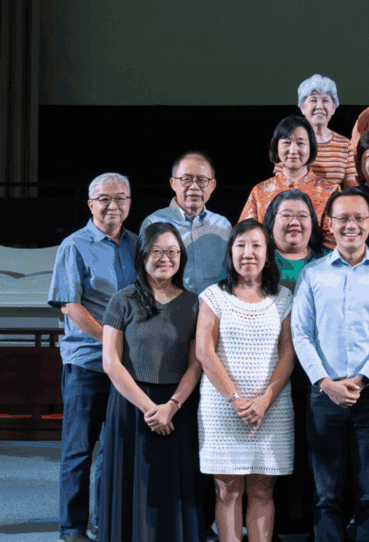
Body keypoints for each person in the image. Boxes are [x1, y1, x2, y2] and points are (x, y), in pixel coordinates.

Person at [291, 188, 369, 542]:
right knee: (326, 495)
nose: (351, 225)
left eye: (358, 218)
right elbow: (301, 333)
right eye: (342, 218)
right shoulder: (312, 274)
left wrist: (361, 379)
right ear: (329, 223)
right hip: (323, 396)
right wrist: (325, 382)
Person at [97, 223, 205, 542]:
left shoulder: (194, 303)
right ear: (142, 255)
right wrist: (150, 409)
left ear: (181, 257)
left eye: (172, 251)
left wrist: (171, 406)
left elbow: (196, 364)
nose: (164, 258)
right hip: (131, 406)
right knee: (133, 486)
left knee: (174, 488)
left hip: (178, 407)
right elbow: (111, 362)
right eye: (156, 251)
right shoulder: (122, 300)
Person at [48, 173, 138, 542]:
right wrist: (111, 340)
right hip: (87, 362)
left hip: (127, 366)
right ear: (90, 204)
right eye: (104, 199)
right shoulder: (74, 245)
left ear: (129, 203)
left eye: (120, 198)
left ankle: (105, 521)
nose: (112, 205)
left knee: (115, 449)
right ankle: (71, 527)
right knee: (79, 449)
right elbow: (71, 306)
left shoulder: (138, 244)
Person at [196, 219, 296, 542]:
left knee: (263, 489)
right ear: (231, 253)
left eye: (256, 245)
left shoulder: (283, 297)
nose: (248, 253)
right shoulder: (214, 296)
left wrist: (265, 400)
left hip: (272, 408)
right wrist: (235, 399)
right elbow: (204, 351)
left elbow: (288, 352)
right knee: (227, 489)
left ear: (268, 254)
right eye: (240, 245)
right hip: (223, 407)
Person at [262, 189, 331, 538]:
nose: (295, 222)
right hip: (265, 381)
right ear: (270, 222)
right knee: (275, 458)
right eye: (286, 215)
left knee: (316, 456)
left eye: (303, 216)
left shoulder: (330, 262)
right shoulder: (254, 262)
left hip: (319, 380)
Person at [241, 115, 339, 247]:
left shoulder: (330, 191)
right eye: (286, 143)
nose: (293, 150)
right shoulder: (260, 191)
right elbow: (245, 235)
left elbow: (334, 239)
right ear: (276, 146)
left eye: (300, 143)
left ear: (311, 146)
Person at [142, 151, 232, 294]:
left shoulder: (223, 225)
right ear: (173, 183)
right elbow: (145, 276)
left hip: (216, 306)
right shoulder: (153, 223)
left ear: (212, 185)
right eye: (186, 179)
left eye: (202, 180)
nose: (194, 187)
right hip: (171, 305)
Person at [274, 74, 357, 187]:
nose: (319, 106)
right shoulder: (290, 141)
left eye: (325, 100)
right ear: (302, 108)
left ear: (333, 108)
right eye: (313, 100)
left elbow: (351, 183)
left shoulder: (345, 144)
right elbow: (280, 182)